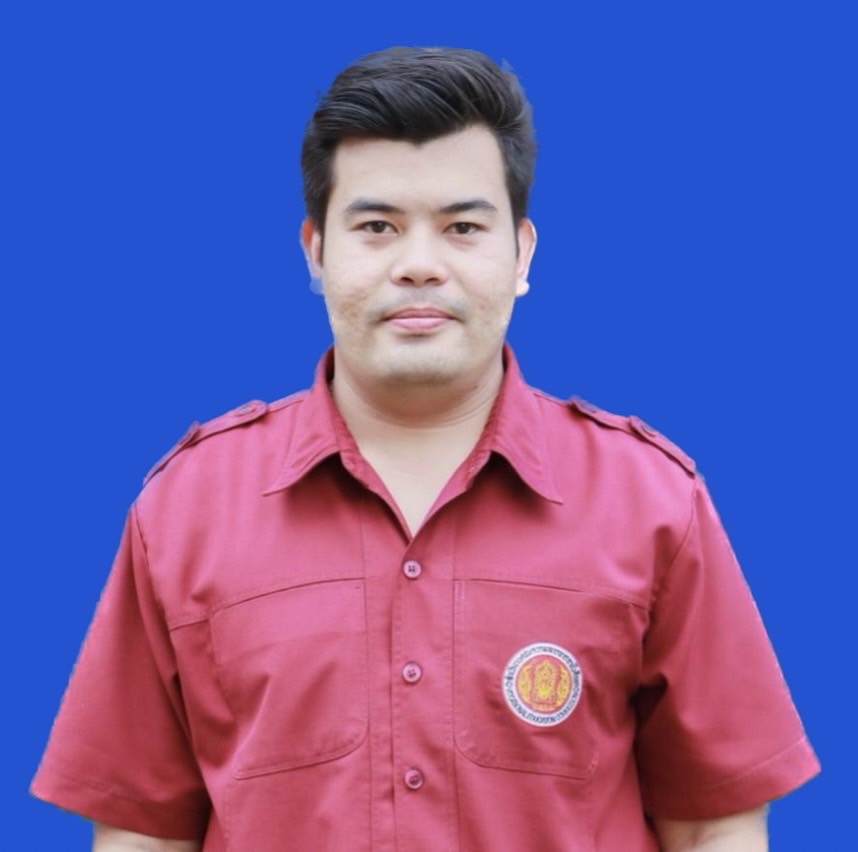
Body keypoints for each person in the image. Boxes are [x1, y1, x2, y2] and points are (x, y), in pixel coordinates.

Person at [32, 47, 819, 851]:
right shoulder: (188, 507)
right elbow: (140, 833)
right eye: (377, 228)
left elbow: (715, 827)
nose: (418, 265)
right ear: (315, 252)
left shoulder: (651, 501)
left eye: (462, 228)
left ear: (522, 254)